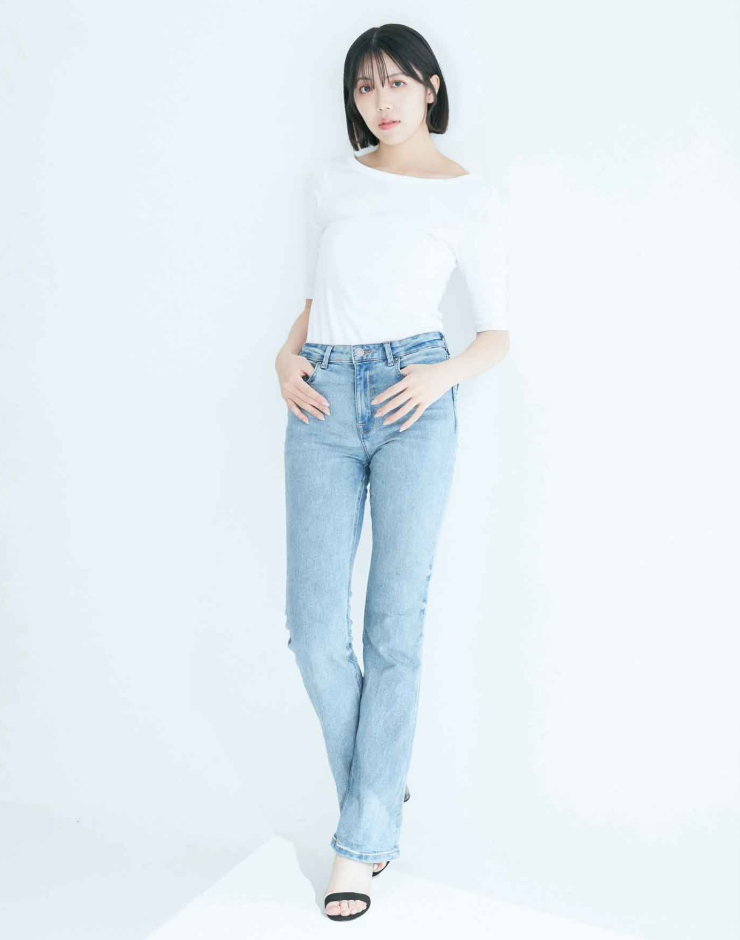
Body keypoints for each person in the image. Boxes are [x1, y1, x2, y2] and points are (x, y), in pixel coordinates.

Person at [274, 23, 510, 922]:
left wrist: (439, 375)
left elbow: (497, 333)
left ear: (431, 87)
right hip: (322, 400)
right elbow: (315, 300)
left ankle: (358, 846)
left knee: (393, 628)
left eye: (397, 83)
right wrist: (285, 358)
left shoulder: (470, 196)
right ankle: (376, 792)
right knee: (313, 629)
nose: (382, 101)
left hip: (416, 398)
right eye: (366, 86)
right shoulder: (330, 182)